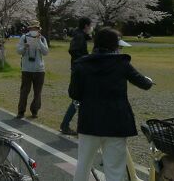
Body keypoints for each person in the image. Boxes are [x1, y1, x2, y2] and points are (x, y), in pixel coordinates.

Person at [70, 28, 153, 181]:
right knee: (115, 170)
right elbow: (144, 83)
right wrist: (149, 80)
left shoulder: (81, 64)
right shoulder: (121, 63)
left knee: (83, 166)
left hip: (89, 122)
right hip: (116, 123)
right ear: (115, 45)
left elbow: (73, 94)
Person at [59, 17, 93, 135]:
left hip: (80, 69)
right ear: (86, 26)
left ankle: (68, 125)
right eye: (90, 25)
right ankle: (65, 125)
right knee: (77, 99)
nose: (91, 28)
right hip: (80, 71)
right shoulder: (79, 36)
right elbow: (73, 50)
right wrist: (85, 60)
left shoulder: (80, 35)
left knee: (80, 99)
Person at [16, 20, 49, 119]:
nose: (34, 30)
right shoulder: (24, 37)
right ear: (29, 29)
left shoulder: (42, 39)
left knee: (37, 92)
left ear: (39, 30)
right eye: (32, 28)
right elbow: (18, 51)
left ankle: (35, 111)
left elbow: (46, 52)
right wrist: (24, 48)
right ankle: (21, 111)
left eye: (36, 28)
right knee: (24, 91)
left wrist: (39, 41)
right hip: (26, 69)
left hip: (39, 69)